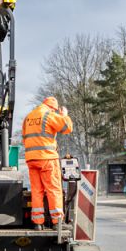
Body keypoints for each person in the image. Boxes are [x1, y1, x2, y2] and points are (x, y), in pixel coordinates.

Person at [22, 96, 74, 229]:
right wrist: (64, 115)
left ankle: (38, 223)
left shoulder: (29, 117)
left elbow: (25, 138)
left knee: (37, 190)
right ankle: (58, 223)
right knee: (53, 189)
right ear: (53, 108)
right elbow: (67, 127)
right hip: (47, 158)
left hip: (31, 159)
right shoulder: (49, 115)